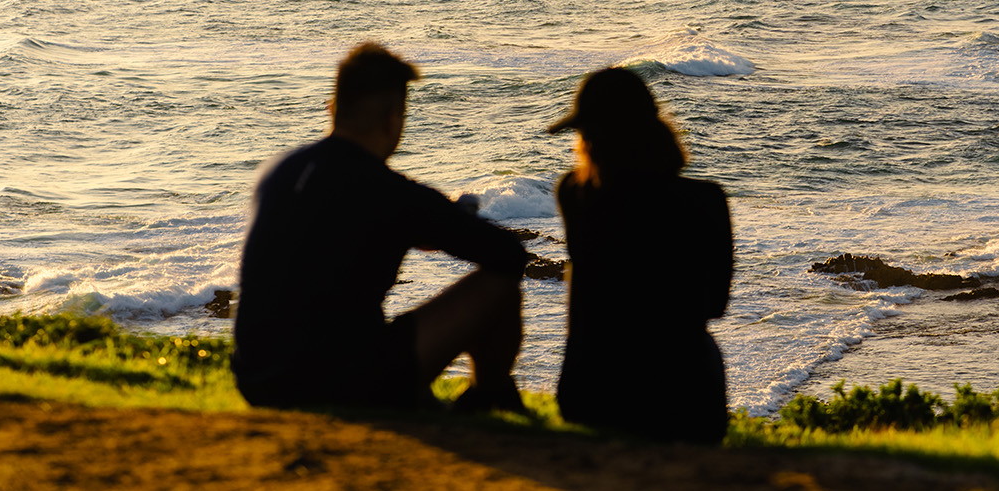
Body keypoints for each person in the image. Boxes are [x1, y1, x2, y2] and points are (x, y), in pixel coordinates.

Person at [232, 42, 529, 412]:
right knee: (499, 283)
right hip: (343, 385)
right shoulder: (390, 192)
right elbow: (509, 255)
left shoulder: (278, 171)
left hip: (256, 379)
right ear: (394, 119)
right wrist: (445, 224)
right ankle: (489, 396)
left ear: (333, 109)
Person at [547, 67, 734, 443]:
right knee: (702, 347)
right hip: (686, 403)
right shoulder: (707, 200)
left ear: (590, 138)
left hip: (589, 396)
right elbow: (715, 305)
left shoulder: (574, 194)